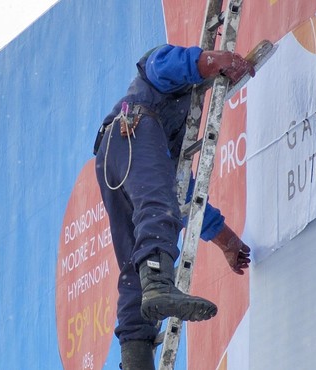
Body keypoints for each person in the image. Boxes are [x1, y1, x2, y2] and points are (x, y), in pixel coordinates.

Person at [93, 44, 255, 370]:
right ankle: (157, 283)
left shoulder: (168, 138)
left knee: (132, 261)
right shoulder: (156, 70)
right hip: (133, 128)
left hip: (110, 154)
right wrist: (214, 61)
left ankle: (135, 357)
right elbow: (167, 65)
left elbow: (190, 198)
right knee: (158, 207)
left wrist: (227, 242)